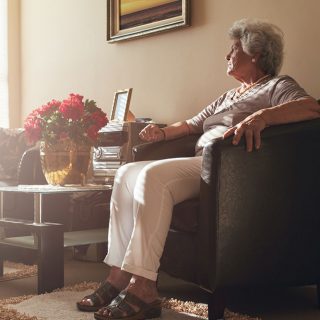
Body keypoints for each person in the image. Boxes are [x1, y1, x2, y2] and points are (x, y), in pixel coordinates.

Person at [77, 18, 320, 320]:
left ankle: (143, 287)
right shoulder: (229, 96)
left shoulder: (277, 86)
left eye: (233, 50)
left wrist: (262, 118)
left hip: (231, 172)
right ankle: (118, 276)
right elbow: (191, 124)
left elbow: (311, 107)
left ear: (255, 53)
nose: (227, 56)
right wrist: (161, 133)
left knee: (153, 177)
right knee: (127, 173)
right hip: (202, 165)